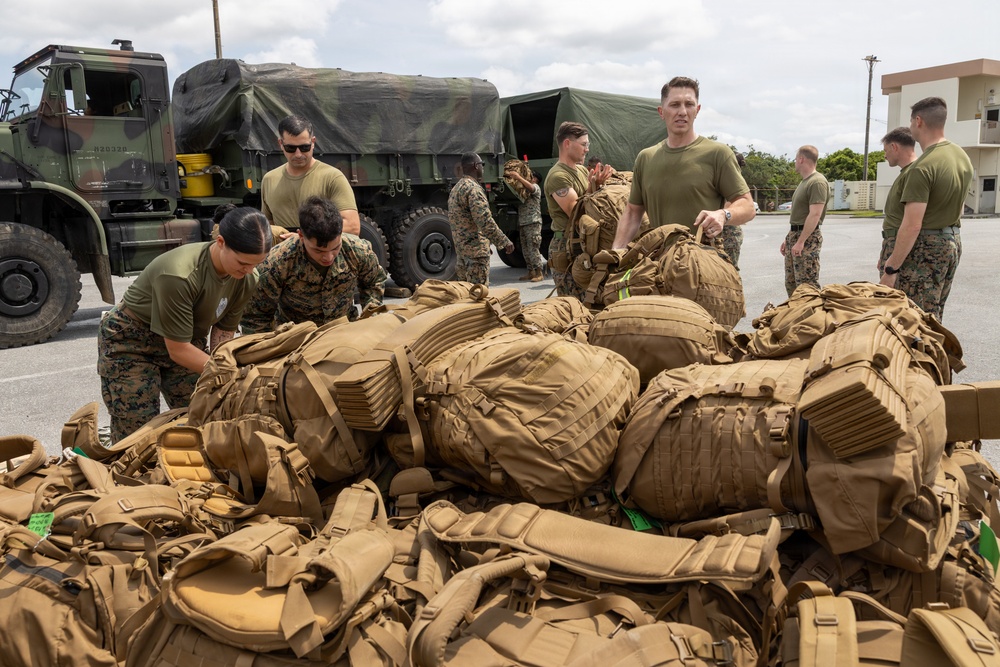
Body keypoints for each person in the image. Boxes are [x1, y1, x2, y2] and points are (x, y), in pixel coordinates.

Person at [98, 205, 272, 442]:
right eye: (243, 262)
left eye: (256, 264)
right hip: (132, 343)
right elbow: (177, 350)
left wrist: (225, 372)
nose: (248, 270)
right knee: (137, 432)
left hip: (187, 341)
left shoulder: (247, 278)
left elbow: (223, 334)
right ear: (221, 242)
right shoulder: (180, 275)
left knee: (205, 417)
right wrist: (234, 375)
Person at [612, 77, 754, 250]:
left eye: (689, 104)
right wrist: (616, 253)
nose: (682, 111)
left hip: (703, 264)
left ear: (697, 110)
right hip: (658, 264)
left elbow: (747, 206)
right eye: (674, 105)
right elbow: (633, 212)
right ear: (661, 112)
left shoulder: (717, 153)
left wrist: (724, 214)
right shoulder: (645, 158)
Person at [878, 98, 973, 321]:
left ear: (918, 121)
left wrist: (891, 268)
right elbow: (959, 209)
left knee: (912, 321)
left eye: (911, 122)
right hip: (950, 243)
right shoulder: (962, 157)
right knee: (933, 317)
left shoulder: (923, 167)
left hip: (923, 250)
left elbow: (912, 225)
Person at [241, 196, 387, 333]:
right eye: (318, 251)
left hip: (343, 333)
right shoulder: (277, 263)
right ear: (301, 236)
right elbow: (255, 318)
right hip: (296, 340)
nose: (328, 257)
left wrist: (370, 321)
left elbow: (373, 282)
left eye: (335, 248)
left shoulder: (358, 251)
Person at [261, 115, 361, 236]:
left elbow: (352, 226)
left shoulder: (332, 178)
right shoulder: (269, 180)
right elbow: (268, 229)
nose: (298, 154)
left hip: (322, 252)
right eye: (290, 148)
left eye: (304, 147)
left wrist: (303, 238)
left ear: (313, 142)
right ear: (280, 144)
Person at [546, 122, 612, 297]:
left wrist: (597, 186)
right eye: (584, 144)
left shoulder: (582, 171)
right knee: (574, 305)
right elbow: (577, 213)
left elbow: (589, 201)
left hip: (582, 243)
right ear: (567, 144)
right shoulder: (558, 176)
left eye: (587, 145)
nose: (587, 149)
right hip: (566, 246)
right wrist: (594, 190)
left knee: (591, 299)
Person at [447, 153, 514, 285]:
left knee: (467, 297)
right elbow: (484, 221)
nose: (483, 168)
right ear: (475, 166)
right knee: (479, 297)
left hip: (462, 254)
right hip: (476, 256)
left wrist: (486, 241)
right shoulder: (473, 189)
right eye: (482, 165)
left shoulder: (456, 188)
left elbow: (462, 221)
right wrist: (504, 241)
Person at [780, 145, 829, 297]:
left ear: (801, 159)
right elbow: (799, 215)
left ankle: (811, 319)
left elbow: (815, 214)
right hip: (796, 235)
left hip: (808, 238)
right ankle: (797, 317)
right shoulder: (805, 182)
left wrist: (801, 241)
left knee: (807, 286)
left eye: (796, 159)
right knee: (792, 283)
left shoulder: (817, 182)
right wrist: (788, 239)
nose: (795, 163)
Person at [507, 169, 545, 281]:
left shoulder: (535, 188)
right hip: (523, 223)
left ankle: (539, 273)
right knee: (525, 249)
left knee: (533, 248)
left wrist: (519, 177)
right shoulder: (524, 191)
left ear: (535, 179)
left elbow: (532, 188)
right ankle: (531, 272)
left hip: (533, 222)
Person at [719, 150, 748, 269]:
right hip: (724, 231)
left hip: (729, 232)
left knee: (730, 270)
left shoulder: (735, 183)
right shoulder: (729, 180)